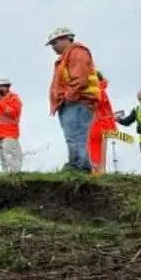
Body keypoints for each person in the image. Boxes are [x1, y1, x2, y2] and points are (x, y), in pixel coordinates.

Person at [46, 27, 101, 173]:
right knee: (73, 136)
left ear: (66, 39)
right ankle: (76, 164)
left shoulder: (77, 52)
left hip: (77, 102)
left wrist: (69, 97)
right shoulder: (67, 56)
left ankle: (80, 166)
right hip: (71, 102)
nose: (53, 47)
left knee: (77, 136)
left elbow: (80, 79)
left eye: (54, 43)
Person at [0, 77, 23, 173]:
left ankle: (14, 175)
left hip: (9, 134)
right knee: (2, 156)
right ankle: (6, 175)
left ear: (7, 87)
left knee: (10, 155)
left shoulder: (14, 99)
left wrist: (1, 103)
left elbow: (13, 113)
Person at [86, 72, 118, 174]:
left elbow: (93, 106)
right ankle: (99, 170)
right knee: (98, 149)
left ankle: (97, 171)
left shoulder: (97, 91)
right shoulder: (101, 90)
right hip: (102, 123)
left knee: (94, 148)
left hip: (98, 123)